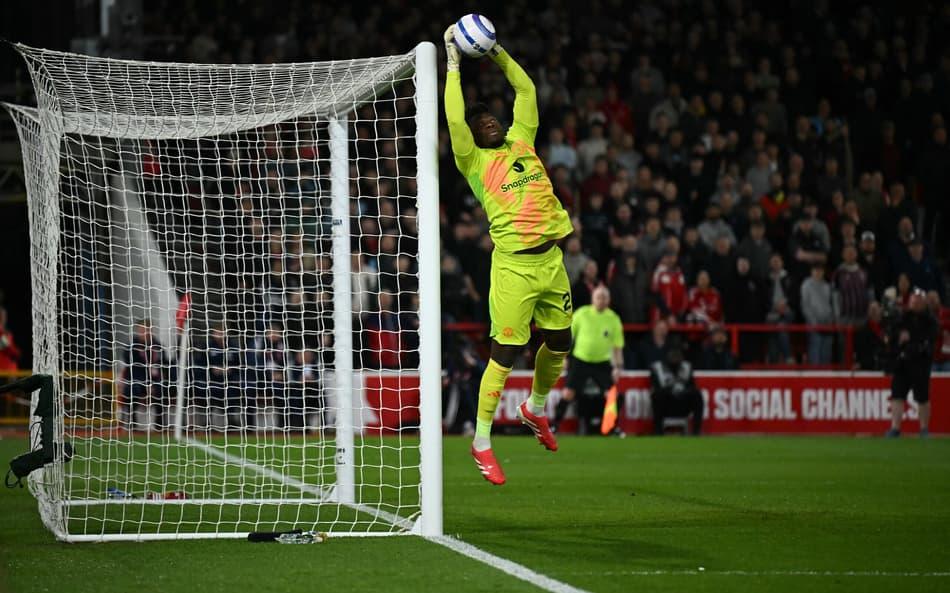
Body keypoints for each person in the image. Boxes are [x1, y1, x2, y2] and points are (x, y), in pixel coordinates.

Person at [444, 27, 573, 485]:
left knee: (560, 343)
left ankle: (534, 409)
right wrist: (454, 63)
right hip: (515, 266)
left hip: (552, 261)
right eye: (481, 125)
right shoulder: (475, 163)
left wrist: (495, 51)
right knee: (505, 352)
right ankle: (480, 441)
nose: (488, 123)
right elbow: (456, 121)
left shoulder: (523, 141)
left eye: (491, 119)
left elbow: (526, 88)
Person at [554, 286, 624, 434]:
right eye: (599, 297)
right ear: (593, 299)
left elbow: (617, 347)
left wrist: (618, 367)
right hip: (581, 360)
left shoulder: (614, 319)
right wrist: (564, 357)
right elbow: (568, 338)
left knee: (611, 395)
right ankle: (554, 425)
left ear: (609, 300)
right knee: (568, 393)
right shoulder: (581, 314)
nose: (601, 301)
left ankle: (612, 427)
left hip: (602, 362)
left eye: (604, 298)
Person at [885, 290, 938, 438]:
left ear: (924, 302)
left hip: (920, 363)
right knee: (897, 395)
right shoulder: (902, 318)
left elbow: (929, 341)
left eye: (919, 300)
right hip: (902, 362)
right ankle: (895, 428)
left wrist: (910, 340)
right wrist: (898, 338)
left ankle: (924, 429)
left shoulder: (930, 320)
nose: (915, 303)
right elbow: (892, 334)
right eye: (914, 300)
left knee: (922, 397)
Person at [649, 341, 704, 435]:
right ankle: (658, 431)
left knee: (697, 394)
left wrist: (682, 392)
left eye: (678, 352)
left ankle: (696, 431)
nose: (675, 355)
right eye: (673, 352)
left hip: (683, 404)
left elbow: (692, 387)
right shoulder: (657, 367)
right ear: (666, 354)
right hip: (666, 405)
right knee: (657, 395)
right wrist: (669, 390)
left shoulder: (687, 367)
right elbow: (655, 388)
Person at [800, 264, 837, 365]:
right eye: (816, 270)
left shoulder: (827, 286)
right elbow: (805, 305)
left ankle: (826, 376)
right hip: (813, 324)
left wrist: (831, 321)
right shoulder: (806, 284)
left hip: (827, 324)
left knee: (827, 349)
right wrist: (813, 322)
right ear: (811, 271)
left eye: (820, 270)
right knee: (815, 347)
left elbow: (832, 305)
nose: (818, 272)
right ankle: (814, 374)